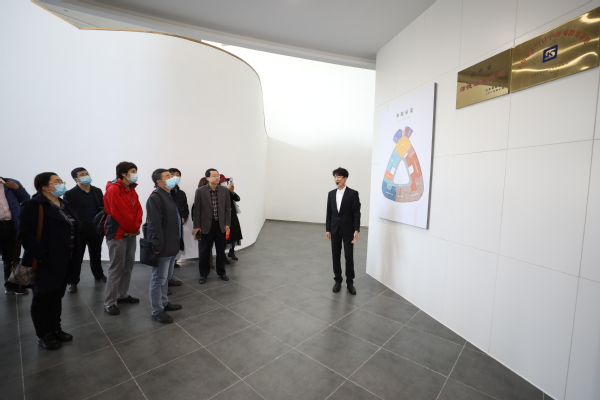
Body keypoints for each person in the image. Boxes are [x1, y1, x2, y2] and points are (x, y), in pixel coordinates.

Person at [18, 172, 80, 349]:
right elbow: (24, 235)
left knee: (56, 296)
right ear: (45, 187)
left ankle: (55, 329)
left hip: (65, 259)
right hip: (45, 260)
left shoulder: (64, 204)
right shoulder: (33, 205)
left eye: (61, 181)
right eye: (57, 181)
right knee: (42, 297)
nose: (61, 184)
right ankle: (44, 334)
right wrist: (43, 255)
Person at [103, 162, 142, 315]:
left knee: (128, 265)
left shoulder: (131, 189)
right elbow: (118, 213)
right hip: (118, 233)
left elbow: (138, 210)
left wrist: (135, 228)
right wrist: (132, 229)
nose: (135, 174)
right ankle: (109, 303)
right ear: (124, 174)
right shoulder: (113, 189)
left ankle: (122, 294)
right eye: (132, 171)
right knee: (116, 268)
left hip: (130, 232)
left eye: (135, 171)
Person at [146, 169, 183, 324]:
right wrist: (157, 245)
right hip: (163, 246)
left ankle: (164, 302)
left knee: (166, 277)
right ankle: (157, 310)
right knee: (158, 279)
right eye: (168, 176)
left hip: (172, 244)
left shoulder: (168, 195)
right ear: (159, 182)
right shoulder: (155, 198)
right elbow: (154, 224)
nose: (172, 178)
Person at [64, 167, 106, 293]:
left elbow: (102, 208)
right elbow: (68, 213)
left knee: (96, 253)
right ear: (76, 179)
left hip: (95, 227)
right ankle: (73, 281)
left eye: (87, 173)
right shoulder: (70, 194)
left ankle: (99, 275)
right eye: (82, 175)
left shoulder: (97, 191)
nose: (86, 176)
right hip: (80, 228)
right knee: (77, 256)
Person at [325, 167, 361, 296]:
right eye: (335, 177)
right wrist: (328, 229)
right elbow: (329, 213)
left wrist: (356, 229)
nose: (336, 179)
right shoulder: (331, 194)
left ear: (345, 179)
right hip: (334, 230)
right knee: (335, 256)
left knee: (348, 256)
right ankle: (338, 281)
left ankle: (350, 282)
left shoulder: (353, 194)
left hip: (348, 230)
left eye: (339, 177)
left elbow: (356, 213)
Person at [192, 168, 231, 284]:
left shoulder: (224, 190)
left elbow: (227, 208)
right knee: (204, 251)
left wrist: (227, 223)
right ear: (207, 178)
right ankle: (203, 274)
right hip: (206, 225)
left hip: (220, 225)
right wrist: (197, 226)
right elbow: (197, 210)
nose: (217, 177)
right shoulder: (200, 191)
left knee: (221, 251)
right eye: (214, 175)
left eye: (217, 175)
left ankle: (221, 272)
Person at [1, 176, 30, 295]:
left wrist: (18, 188)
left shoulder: (10, 183)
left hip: (10, 225)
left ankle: (11, 286)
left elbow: (26, 199)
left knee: (12, 258)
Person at [168, 168, 188, 275]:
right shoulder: (164, 192)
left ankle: (173, 263)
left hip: (179, 225)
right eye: (172, 174)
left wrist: (183, 217)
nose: (175, 177)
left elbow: (186, 209)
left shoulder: (181, 193)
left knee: (177, 245)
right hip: (168, 227)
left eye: (177, 175)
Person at [223, 177, 242, 261]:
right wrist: (226, 190)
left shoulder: (229, 192)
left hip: (233, 215)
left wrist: (232, 191)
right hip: (224, 216)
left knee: (234, 233)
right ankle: (222, 254)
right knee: (224, 236)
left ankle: (232, 252)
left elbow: (238, 198)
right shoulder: (220, 192)